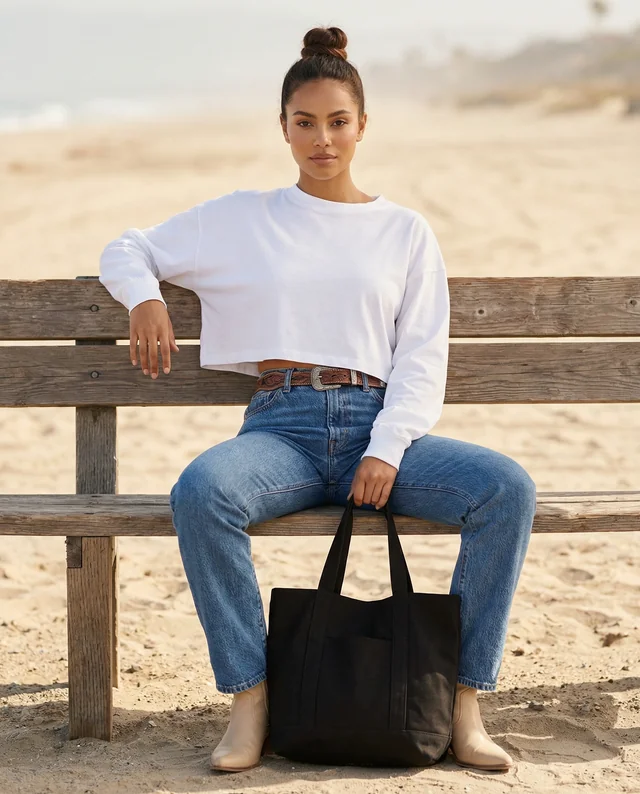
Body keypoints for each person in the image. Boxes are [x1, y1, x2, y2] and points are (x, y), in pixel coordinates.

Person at [99, 25, 536, 775]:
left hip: (380, 427)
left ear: (362, 126)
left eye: (338, 121)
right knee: (202, 491)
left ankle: (464, 705)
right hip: (283, 433)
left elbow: (422, 352)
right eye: (305, 122)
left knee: (507, 489)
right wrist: (144, 300)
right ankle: (250, 700)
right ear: (283, 128)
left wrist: (387, 446)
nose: (322, 138)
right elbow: (126, 247)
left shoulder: (403, 230)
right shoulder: (241, 216)